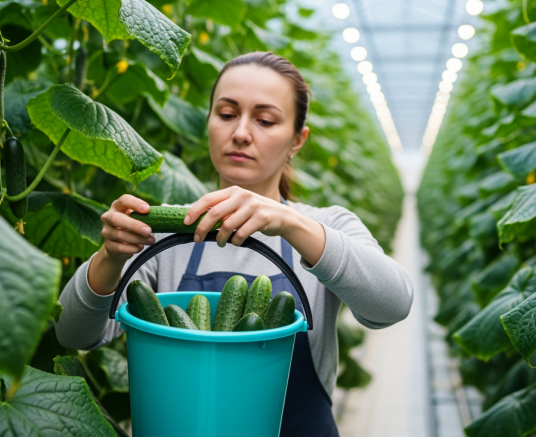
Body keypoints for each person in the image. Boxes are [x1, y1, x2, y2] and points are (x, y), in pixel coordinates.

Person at [55, 52, 414, 436]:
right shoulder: (166, 230)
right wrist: (108, 257)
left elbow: (394, 304)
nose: (241, 132)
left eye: (264, 120)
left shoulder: (327, 225)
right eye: (226, 114)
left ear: (297, 140)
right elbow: (75, 334)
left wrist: (289, 222)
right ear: (208, 123)